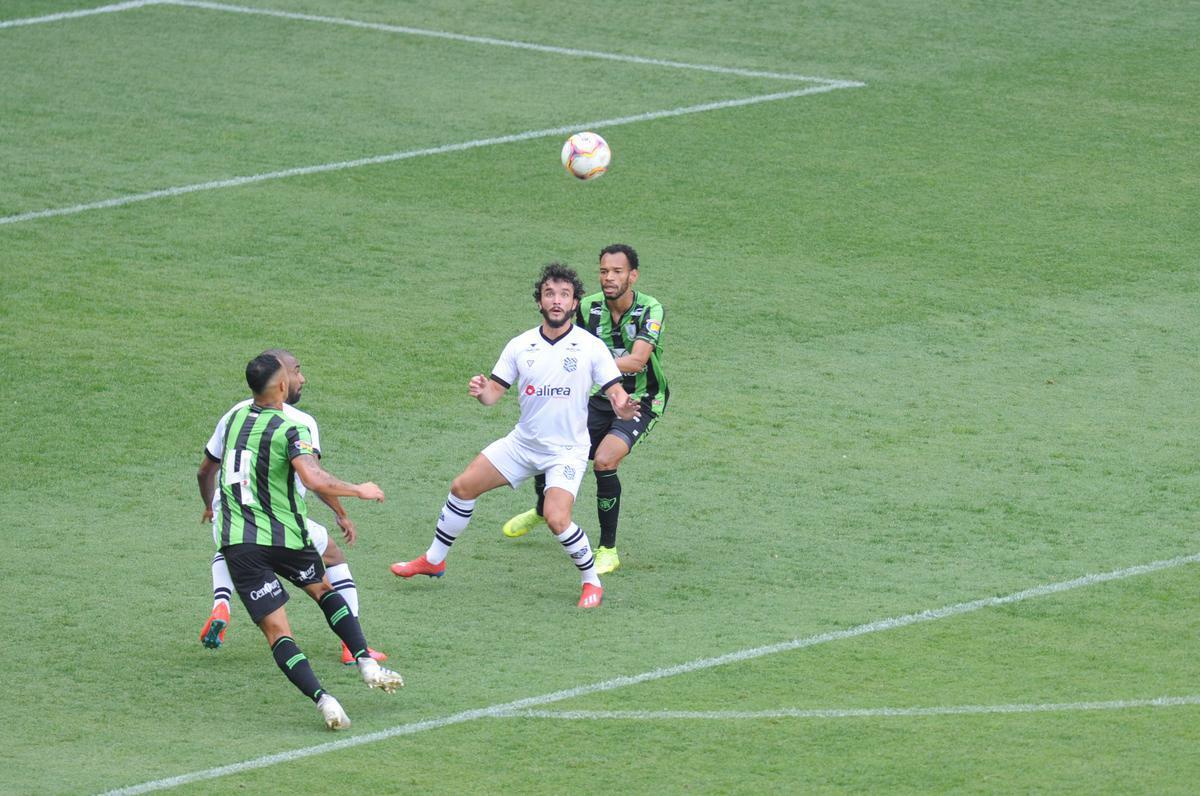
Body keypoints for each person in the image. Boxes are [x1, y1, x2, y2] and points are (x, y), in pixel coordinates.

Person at [390, 263, 640, 608]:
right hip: (523, 443)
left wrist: (624, 408)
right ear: (539, 300)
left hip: (565, 451)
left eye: (564, 295)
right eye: (549, 293)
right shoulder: (520, 345)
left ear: (574, 303)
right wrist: (481, 393)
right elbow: (493, 395)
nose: (556, 301)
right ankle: (434, 559)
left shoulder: (590, 346)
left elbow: (615, 393)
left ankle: (590, 581)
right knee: (462, 487)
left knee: (556, 518)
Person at [200, 351, 403, 729]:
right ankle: (365, 661)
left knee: (279, 633)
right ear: (280, 384)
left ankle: (324, 701)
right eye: (296, 373)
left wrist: (209, 508)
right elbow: (314, 478)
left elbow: (204, 470)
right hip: (286, 535)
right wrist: (360, 490)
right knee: (324, 591)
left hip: (239, 543)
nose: (302, 379)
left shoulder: (233, 419)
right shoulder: (292, 426)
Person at [501, 244, 668, 575]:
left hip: (639, 400)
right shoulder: (588, 306)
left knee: (605, 460)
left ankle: (608, 548)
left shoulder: (651, 308)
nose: (609, 278)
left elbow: (637, 361)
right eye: (604, 271)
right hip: (594, 396)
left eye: (617, 272)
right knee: (549, 437)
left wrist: (585, 364)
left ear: (632, 276)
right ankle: (542, 508)